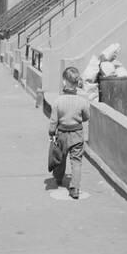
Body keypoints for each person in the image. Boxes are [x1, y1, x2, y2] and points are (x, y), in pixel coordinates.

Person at [48, 66, 90, 199]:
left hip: (62, 134)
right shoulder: (82, 101)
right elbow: (86, 117)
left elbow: (53, 121)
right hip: (77, 134)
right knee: (76, 161)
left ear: (65, 82)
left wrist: (51, 133)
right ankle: (75, 188)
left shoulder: (58, 101)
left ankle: (59, 178)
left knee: (61, 158)